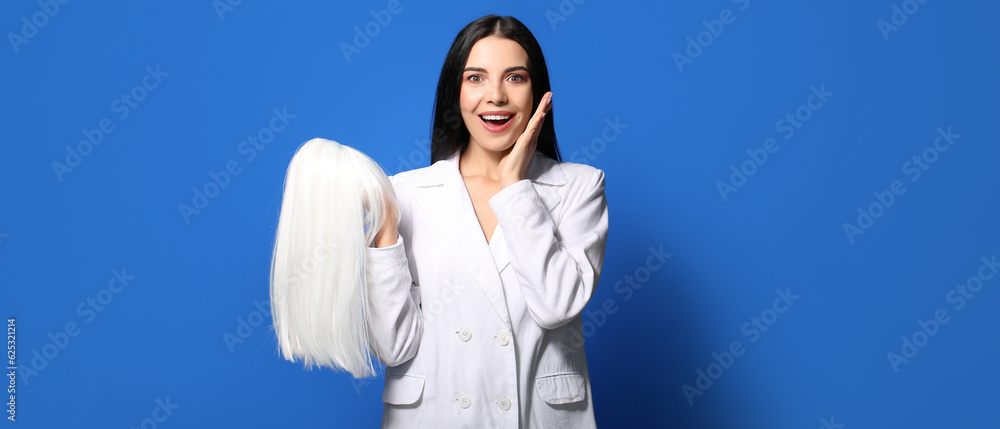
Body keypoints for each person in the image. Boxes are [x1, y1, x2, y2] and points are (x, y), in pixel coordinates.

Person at [365, 15, 609, 428]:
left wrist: (513, 186)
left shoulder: (579, 187)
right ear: (455, 93)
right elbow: (392, 346)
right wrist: (384, 233)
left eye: (515, 78)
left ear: (538, 93)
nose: (495, 96)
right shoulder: (402, 194)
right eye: (476, 78)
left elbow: (555, 306)